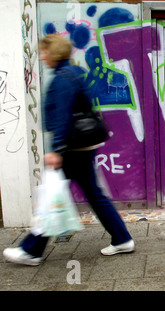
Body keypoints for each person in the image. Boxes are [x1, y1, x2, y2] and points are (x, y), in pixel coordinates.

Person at [3, 34, 135, 266]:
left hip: (72, 147)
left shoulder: (61, 78)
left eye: (44, 51)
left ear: (53, 52)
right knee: (92, 194)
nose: (42, 56)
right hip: (82, 145)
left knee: (52, 196)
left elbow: (64, 116)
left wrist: (57, 149)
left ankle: (31, 250)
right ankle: (122, 238)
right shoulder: (76, 72)